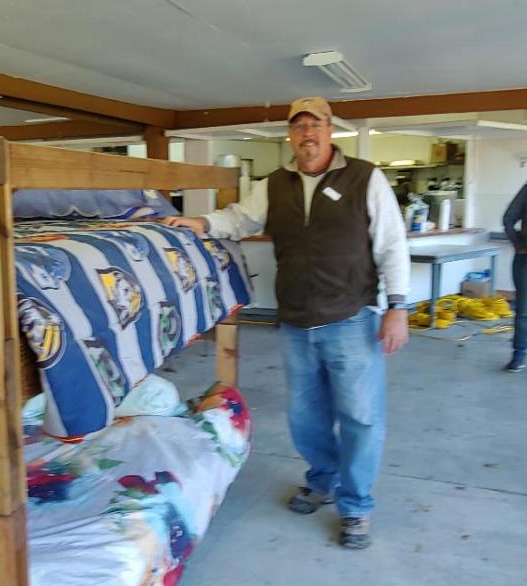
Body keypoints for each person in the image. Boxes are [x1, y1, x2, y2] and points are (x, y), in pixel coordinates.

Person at [164, 96, 410, 549]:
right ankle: (322, 481)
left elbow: (392, 244)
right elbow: (239, 218)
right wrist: (199, 222)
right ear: (290, 136)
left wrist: (397, 306)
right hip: (296, 321)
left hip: (351, 318)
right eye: (298, 128)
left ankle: (355, 506)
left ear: (329, 130)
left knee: (360, 416)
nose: (306, 135)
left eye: (314, 125)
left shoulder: (364, 178)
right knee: (306, 416)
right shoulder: (274, 183)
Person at [501, 178, 527, 372]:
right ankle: (518, 354)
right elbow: (508, 218)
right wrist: (518, 245)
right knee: (523, 311)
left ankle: (518, 356)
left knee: (523, 312)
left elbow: (508, 219)